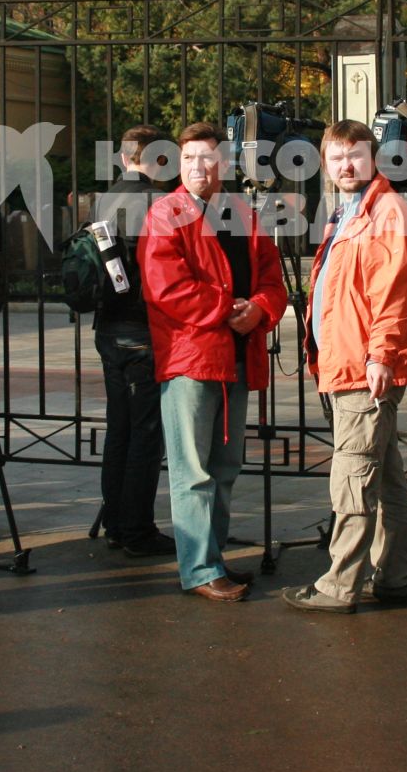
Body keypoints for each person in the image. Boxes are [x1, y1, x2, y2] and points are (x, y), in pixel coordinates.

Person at [281, 119, 407, 614]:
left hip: (363, 369)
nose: (346, 165)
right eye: (337, 157)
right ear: (326, 164)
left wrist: (381, 354)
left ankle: (339, 584)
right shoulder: (349, 210)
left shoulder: (386, 210)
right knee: (384, 477)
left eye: (355, 155)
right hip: (347, 362)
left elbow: (393, 291)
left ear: (373, 158)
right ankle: (393, 577)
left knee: (351, 476)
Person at [138, 122, 287, 602]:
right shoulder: (167, 213)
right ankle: (201, 569)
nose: (197, 167)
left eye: (205, 158)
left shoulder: (241, 213)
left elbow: (272, 277)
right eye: (188, 159)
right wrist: (231, 311)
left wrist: (260, 311)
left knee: (224, 466)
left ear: (223, 162)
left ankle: (212, 558)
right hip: (193, 357)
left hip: (237, 354)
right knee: (194, 471)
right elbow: (166, 287)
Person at [93, 124, 175, 558]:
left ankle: (114, 520)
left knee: (118, 428)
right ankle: (136, 527)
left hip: (107, 326)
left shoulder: (104, 197)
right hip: (142, 326)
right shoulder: (157, 202)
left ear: (124, 157)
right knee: (145, 431)